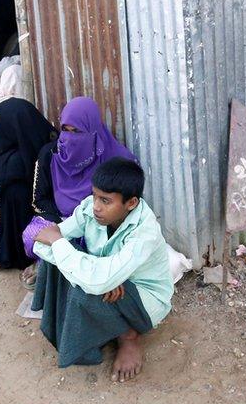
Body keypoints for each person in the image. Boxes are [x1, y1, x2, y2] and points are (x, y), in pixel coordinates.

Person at [31, 158, 172, 383]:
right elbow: (40, 241)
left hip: (144, 298)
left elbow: (57, 242)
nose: (96, 205)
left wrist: (99, 273)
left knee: (81, 284)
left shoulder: (144, 233)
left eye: (105, 200)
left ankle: (129, 336)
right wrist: (101, 272)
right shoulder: (90, 208)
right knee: (65, 262)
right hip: (109, 278)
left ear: (131, 203)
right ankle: (100, 311)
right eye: (95, 195)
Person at [22, 96, 138, 287]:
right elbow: (39, 199)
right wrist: (61, 223)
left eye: (76, 131)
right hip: (60, 219)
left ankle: (69, 276)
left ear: (93, 131)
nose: (68, 138)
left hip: (99, 223)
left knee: (89, 244)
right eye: (65, 130)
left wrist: (86, 223)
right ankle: (54, 271)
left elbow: (124, 208)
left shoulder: (116, 161)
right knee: (32, 233)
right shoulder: (50, 155)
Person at [0, 98, 53, 276]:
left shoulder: (11, 161)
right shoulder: (48, 142)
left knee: (14, 192)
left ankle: (10, 248)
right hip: (48, 224)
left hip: (22, 227)